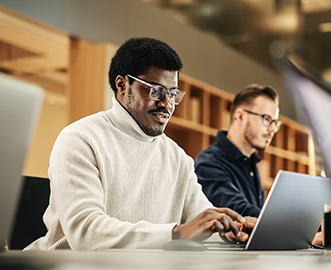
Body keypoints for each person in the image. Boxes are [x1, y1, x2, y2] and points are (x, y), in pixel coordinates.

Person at [25, 37, 254, 250]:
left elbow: (200, 219)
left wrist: (232, 228)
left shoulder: (177, 157)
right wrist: (175, 234)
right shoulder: (81, 139)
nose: (167, 104)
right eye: (156, 91)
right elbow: (86, 233)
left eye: (173, 94)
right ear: (122, 85)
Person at [194, 85, 280, 217]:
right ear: (240, 116)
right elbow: (238, 213)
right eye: (267, 119)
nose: (273, 129)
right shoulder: (209, 163)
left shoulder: (250, 162)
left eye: (275, 122)